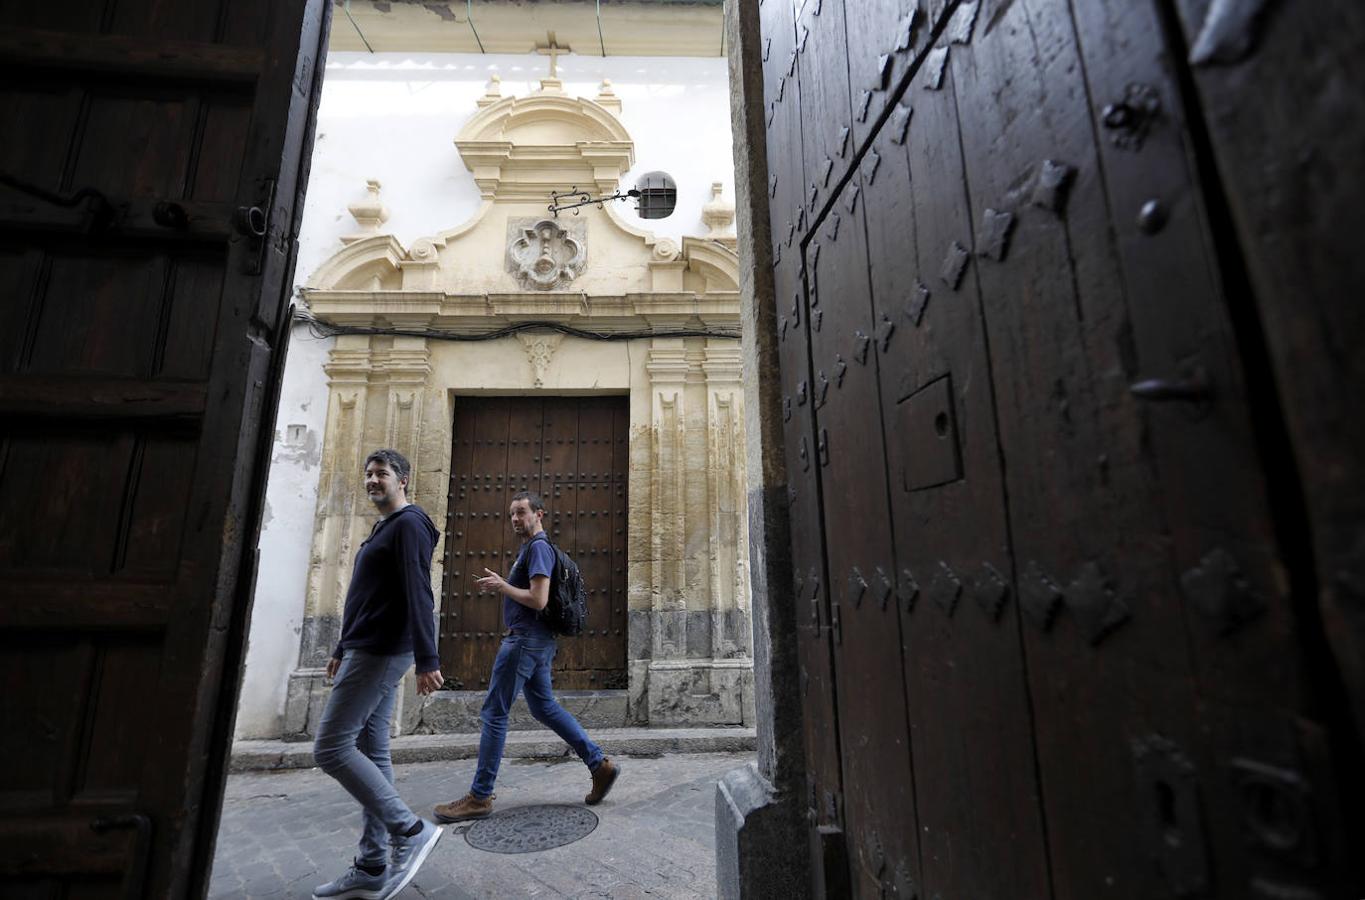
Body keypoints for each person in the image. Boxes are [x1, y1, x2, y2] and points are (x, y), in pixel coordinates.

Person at [432, 490, 620, 822]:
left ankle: (480, 795)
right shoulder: (533, 549)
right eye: (512, 514)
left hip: (524, 641)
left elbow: (538, 600)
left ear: (539, 514)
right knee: (543, 706)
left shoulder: (538, 549)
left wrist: (502, 585)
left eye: (521, 512)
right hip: (537, 640)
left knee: (494, 712)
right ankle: (598, 765)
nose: (516, 519)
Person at [312, 449, 445, 900]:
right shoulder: (384, 527)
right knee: (372, 749)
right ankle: (372, 863)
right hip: (364, 647)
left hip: (381, 652)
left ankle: (409, 830)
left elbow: (418, 591)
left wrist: (428, 658)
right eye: (368, 474)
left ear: (403, 480)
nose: (372, 480)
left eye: (381, 474)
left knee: (330, 748)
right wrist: (339, 645)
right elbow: (365, 596)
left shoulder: (409, 525)